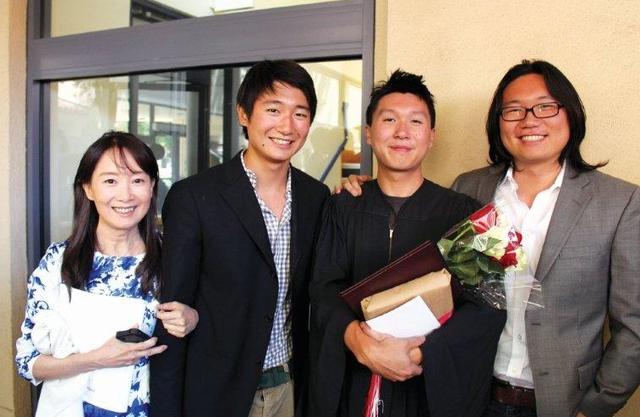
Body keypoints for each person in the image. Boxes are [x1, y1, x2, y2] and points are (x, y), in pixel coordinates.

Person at [308, 70, 506, 417]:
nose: (402, 132)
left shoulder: (468, 213)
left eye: (416, 121)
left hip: (429, 390)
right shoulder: (341, 206)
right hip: (355, 387)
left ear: (432, 136)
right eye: (389, 120)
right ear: (369, 133)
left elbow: (489, 307)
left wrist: (417, 354)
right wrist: (357, 340)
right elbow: (324, 289)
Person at [452, 60, 640, 417]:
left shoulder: (620, 202)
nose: (529, 120)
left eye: (545, 106)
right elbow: (447, 289)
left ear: (570, 114)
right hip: (473, 396)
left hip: (564, 404)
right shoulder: (469, 188)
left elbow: (635, 325)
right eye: (514, 110)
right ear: (498, 122)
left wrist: (597, 407)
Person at [150, 60, 330, 417]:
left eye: (300, 114)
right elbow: (173, 315)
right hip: (217, 393)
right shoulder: (194, 197)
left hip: (290, 387)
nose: (287, 126)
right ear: (244, 114)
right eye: (273, 110)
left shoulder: (316, 197)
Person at [15, 131, 198, 416]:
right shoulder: (59, 261)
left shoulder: (175, 257)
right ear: (88, 188)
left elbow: (212, 341)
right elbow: (28, 362)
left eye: (137, 180)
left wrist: (194, 317)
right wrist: (95, 359)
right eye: (110, 181)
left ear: (152, 186)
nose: (125, 195)